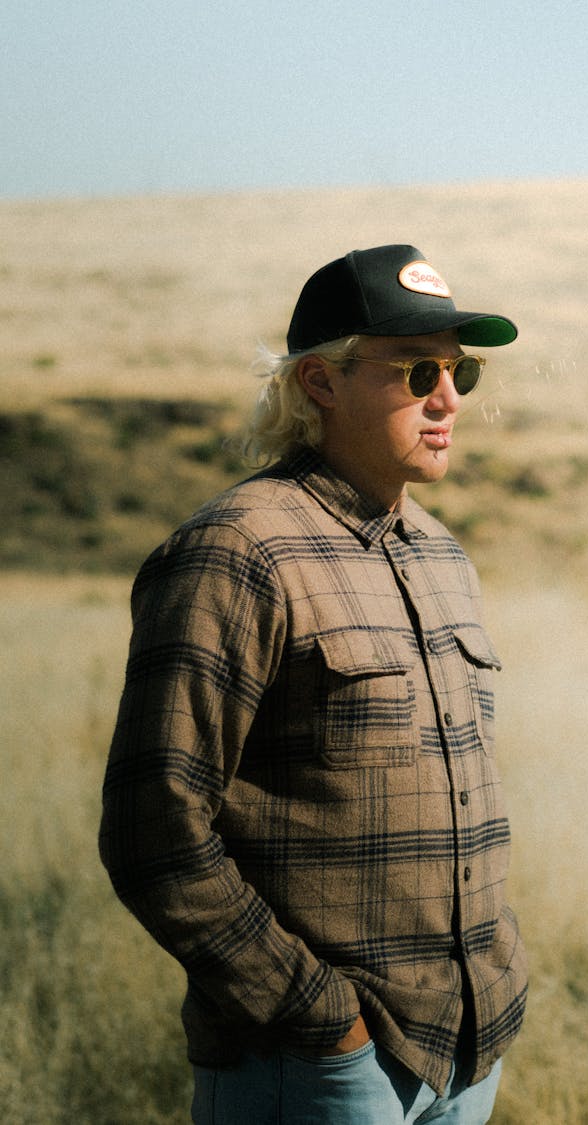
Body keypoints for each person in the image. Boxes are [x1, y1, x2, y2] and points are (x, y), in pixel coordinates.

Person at [99, 243, 528, 1124]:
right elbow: (154, 827)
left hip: (468, 1055)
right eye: (417, 370)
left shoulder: (445, 558)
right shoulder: (238, 549)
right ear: (321, 383)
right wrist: (321, 1020)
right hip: (321, 1072)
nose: (447, 399)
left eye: (460, 372)